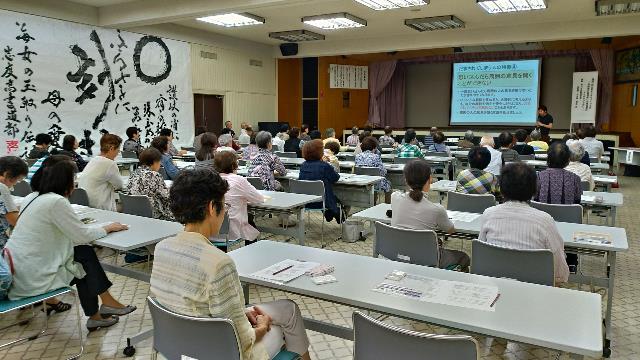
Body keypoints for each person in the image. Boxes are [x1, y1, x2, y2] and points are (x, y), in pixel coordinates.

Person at [150, 169, 311, 360]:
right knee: (288, 316)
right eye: (224, 205)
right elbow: (241, 341)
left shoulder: (162, 247)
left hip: (178, 343)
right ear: (212, 208)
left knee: (286, 309)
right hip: (219, 352)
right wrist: (262, 327)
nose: (225, 210)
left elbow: (194, 306)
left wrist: (241, 315)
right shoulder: (219, 263)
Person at [7, 156, 135, 330]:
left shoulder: (32, 197)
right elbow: (81, 235)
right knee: (83, 255)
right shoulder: (55, 201)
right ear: (65, 180)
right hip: (34, 276)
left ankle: (100, 312)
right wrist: (108, 228)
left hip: (19, 270)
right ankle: (105, 304)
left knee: (81, 257)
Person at [478, 162, 569, 284]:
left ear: (501, 189)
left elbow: (481, 253)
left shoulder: (488, 214)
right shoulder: (545, 220)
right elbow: (560, 273)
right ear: (534, 190)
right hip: (534, 289)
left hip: (494, 284)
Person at [391, 160, 470, 271]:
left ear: (406, 181)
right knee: (464, 257)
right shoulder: (436, 209)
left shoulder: (394, 197)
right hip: (427, 258)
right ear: (430, 179)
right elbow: (451, 230)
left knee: (438, 242)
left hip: (398, 253)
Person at [215, 151, 264, 244]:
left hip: (212, 229)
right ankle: (251, 251)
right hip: (231, 229)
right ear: (234, 165)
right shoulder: (239, 180)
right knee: (249, 222)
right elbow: (259, 199)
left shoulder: (210, 179)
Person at [298, 140, 342, 223]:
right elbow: (335, 178)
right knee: (340, 198)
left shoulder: (303, 165)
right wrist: (327, 163)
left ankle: (332, 211)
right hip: (322, 202)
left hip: (306, 201)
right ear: (319, 152)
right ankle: (335, 212)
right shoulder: (324, 166)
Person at [78, 134, 124, 211]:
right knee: (127, 207)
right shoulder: (110, 163)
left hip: (86, 205)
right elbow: (119, 186)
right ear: (112, 149)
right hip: (101, 208)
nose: (117, 153)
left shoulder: (93, 160)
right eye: (118, 150)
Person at [126, 148, 174, 221]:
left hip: (135, 213)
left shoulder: (134, 173)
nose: (160, 164)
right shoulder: (154, 175)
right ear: (154, 162)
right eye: (159, 161)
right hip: (154, 214)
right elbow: (166, 196)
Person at [0, 156, 28, 249]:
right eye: (17, 179)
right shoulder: (1, 187)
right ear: (8, 174)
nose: (15, 184)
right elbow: (15, 221)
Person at [356, 137, 391, 202]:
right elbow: (382, 172)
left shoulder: (358, 156)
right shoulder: (376, 157)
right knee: (388, 185)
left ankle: (373, 202)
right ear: (374, 147)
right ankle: (387, 206)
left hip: (363, 181)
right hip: (375, 183)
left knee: (374, 185)